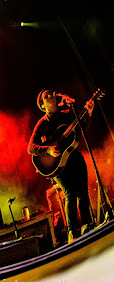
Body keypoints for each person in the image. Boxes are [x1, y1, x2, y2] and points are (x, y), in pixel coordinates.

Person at [28, 89, 95, 243]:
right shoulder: (43, 122)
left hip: (75, 158)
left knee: (83, 191)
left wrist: (89, 113)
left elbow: (82, 128)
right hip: (58, 166)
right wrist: (48, 150)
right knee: (70, 193)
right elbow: (31, 147)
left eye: (51, 93)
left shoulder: (66, 113)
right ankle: (72, 232)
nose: (51, 96)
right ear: (43, 105)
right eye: (46, 96)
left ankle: (86, 225)